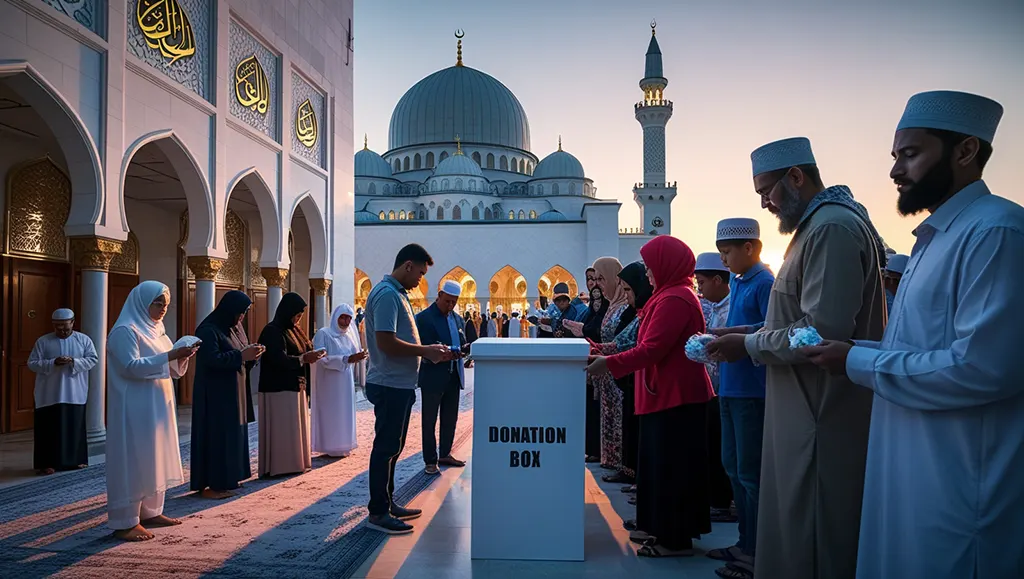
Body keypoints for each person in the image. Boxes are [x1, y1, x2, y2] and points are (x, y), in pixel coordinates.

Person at [802, 90, 1024, 579]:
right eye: (895, 156)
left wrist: (855, 361)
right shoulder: (935, 239)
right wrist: (855, 350)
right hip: (909, 466)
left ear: (965, 151)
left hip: (959, 482)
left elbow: (982, 368)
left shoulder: (997, 232)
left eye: (910, 154)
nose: (895, 171)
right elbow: (920, 349)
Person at [706, 137, 886, 579]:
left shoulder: (831, 229)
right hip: (802, 408)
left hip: (820, 412)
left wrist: (748, 345)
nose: (764, 203)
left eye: (766, 191)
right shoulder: (816, 228)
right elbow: (798, 320)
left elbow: (821, 332)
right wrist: (746, 333)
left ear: (796, 177)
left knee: (814, 534)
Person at [587, 236, 714, 557]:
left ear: (666, 264)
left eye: (649, 266)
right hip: (663, 395)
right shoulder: (666, 297)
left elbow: (652, 349)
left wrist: (608, 363)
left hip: (676, 397)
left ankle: (674, 539)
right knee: (658, 465)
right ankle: (658, 525)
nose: (647, 273)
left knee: (672, 468)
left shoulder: (676, 299)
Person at [364, 243, 452, 535]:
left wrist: (427, 351)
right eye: (420, 273)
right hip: (388, 383)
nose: (420, 280)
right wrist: (425, 351)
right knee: (385, 448)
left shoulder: (397, 294)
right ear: (408, 265)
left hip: (398, 383)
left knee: (393, 446)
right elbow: (386, 342)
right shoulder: (387, 295)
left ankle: (387, 503)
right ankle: (378, 512)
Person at [705, 218, 774, 578]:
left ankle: (759, 552)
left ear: (749, 248)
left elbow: (774, 330)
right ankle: (744, 542)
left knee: (750, 474)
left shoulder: (765, 283)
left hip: (751, 392)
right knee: (733, 468)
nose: (723, 260)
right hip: (730, 388)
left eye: (727, 252)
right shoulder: (738, 281)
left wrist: (737, 334)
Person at [106, 281, 199, 542]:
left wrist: (182, 356)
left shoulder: (158, 330)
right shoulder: (125, 330)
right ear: (142, 302)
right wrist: (170, 356)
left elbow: (170, 370)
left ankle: (151, 512)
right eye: (158, 303)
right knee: (134, 459)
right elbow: (131, 366)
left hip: (157, 405)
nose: (162, 309)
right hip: (133, 406)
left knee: (154, 455)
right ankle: (125, 521)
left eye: (166, 304)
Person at [591, 263, 654, 511]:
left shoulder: (659, 306)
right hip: (625, 373)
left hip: (643, 380)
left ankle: (640, 481)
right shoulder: (638, 310)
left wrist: (603, 355)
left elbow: (638, 346)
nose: (597, 284)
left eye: (628, 289)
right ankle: (629, 472)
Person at [191, 291, 264, 499]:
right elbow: (212, 360)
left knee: (234, 436)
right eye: (240, 313)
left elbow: (240, 355)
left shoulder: (235, 328)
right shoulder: (208, 330)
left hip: (235, 391)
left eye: (244, 313)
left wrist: (252, 355)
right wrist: (241, 356)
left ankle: (230, 478)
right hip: (215, 395)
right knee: (217, 437)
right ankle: (213, 485)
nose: (241, 317)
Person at [257, 293, 324, 477]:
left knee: (294, 427)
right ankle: (280, 466)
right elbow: (277, 358)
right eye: (296, 315)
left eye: (300, 316)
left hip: (295, 384)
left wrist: (314, 354)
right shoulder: (272, 331)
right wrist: (303, 359)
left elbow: (303, 350)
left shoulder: (294, 330)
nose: (298, 319)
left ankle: (294, 463)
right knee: (282, 429)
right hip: (278, 387)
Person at [28, 308, 97, 475]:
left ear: (72, 323)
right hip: (49, 393)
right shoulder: (43, 341)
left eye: (65, 327)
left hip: (74, 391)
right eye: (58, 327)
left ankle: (76, 460)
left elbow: (93, 359)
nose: (62, 331)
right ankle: (47, 463)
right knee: (48, 429)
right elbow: (32, 363)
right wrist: (52, 363)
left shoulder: (83, 340)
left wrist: (74, 361)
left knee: (74, 426)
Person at [693, 253, 735, 524]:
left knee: (726, 451)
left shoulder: (732, 307)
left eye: (702, 282)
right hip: (715, 387)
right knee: (716, 447)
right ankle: (716, 500)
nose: (700, 289)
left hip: (730, 387)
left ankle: (723, 502)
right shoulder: (716, 307)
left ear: (718, 280)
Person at [416, 280, 470, 475]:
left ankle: (445, 453)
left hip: (453, 374)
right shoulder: (424, 318)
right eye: (447, 301)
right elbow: (423, 346)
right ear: (439, 295)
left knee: (450, 417)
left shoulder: (457, 319)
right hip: (433, 375)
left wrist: (464, 349)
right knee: (429, 420)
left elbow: (462, 341)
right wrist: (442, 352)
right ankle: (430, 460)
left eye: (454, 302)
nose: (450, 305)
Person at [592, 257, 630, 479]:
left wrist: (599, 348)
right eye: (595, 279)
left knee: (619, 416)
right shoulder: (611, 306)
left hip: (618, 368)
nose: (598, 284)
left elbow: (625, 342)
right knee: (608, 413)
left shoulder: (624, 307)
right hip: (605, 368)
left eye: (602, 278)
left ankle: (622, 464)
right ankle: (611, 460)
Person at [311, 304, 365, 458]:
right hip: (328, 383)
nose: (346, 321)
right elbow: (321, 359)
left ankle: (343, 443)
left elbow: (352, 356)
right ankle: (329, 445)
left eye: (349, 318)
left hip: (345, 381)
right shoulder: (324, 334)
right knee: (330, 412)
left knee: (344, 411)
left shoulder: (349, 336)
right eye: (343, 317)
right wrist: (346, 359)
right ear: (335, 317)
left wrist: (357, 358)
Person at [581, 286, 608, 463]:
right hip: (594, 364)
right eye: (594, 301)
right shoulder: (589, 314)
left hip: (607, 366)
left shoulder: (612, 312)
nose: (597, 305)